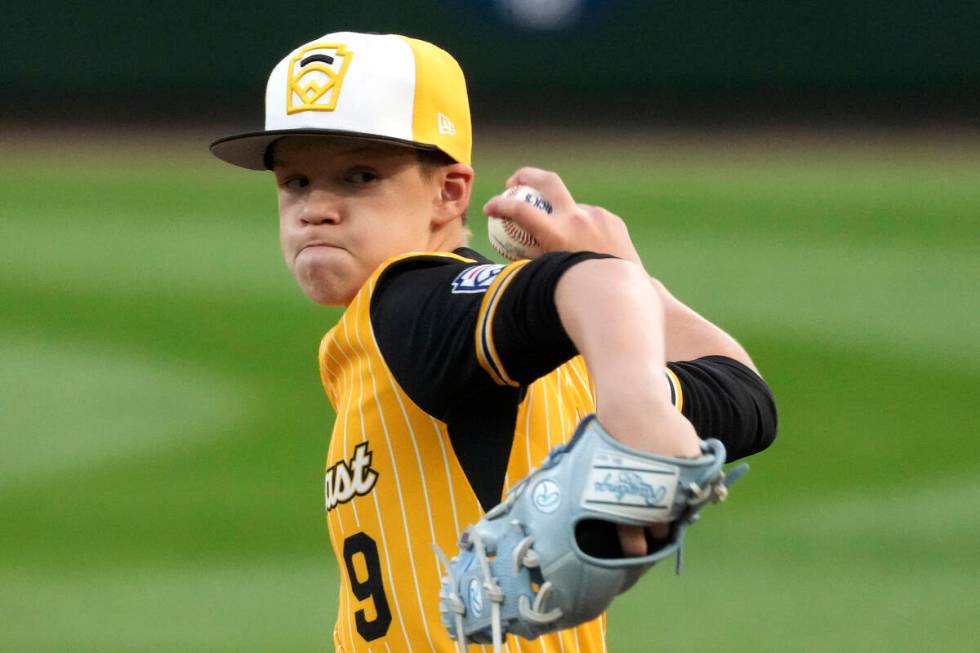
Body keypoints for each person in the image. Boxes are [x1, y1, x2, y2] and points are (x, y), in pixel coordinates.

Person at [211, 30, 776, 653]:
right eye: (294, 182)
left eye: (359, 176)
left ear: (449, 192)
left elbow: (592, 281)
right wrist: (639, 295)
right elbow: (745, 398)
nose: (315, 208)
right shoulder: (575, 356)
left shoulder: (406, 306)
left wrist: (635, 395)